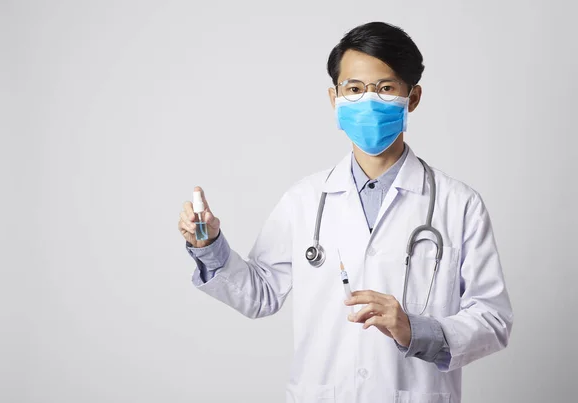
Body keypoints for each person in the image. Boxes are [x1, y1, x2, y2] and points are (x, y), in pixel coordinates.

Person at [178, 21, 513, 403]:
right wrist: (210, 248)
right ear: (334, 98)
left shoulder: (459, 204)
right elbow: (260, 295)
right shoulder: (304, 199)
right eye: (353, 89)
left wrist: (414, 330)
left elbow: (493, 319)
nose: (368, 101)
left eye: (385, 88)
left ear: (413, 97)